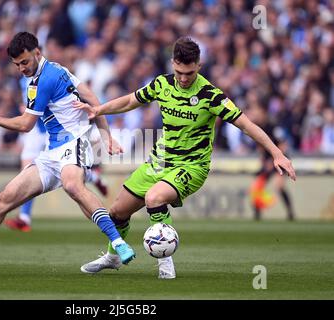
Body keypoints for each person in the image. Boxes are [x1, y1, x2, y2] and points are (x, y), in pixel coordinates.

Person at [74, 37, 297, 279]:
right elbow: (130, 100)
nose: (183, 78)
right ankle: (113, 257)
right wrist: (99, 109)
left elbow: (246, 125)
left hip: (192, 167)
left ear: (199, 66)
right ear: (173, 63)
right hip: (158, 162)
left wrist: (277, 153)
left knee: (155, 197)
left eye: (189, 73)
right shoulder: (161, 84)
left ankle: (165, 261)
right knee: (117, 213)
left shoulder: (211, 95)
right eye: (179, 71)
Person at [0, 32, 135, 275]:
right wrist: (106, 137)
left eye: (25, 62)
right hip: (51, 152)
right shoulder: (57, 69)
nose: (21, 68)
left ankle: (118, 244)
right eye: (17, 64)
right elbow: (92, 99)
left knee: (73, 186)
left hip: (74, 142)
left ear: (37, 53)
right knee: (2, 200)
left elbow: (26, 125)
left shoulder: (45, 79)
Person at [4, 77, 109, 232]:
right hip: (34, 128)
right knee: (27, 170)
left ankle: (92, 176)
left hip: (53, 127)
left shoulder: (49, 76)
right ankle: (24, 217)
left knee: (67, 176)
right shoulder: (22, 81)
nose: (21, 66)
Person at [248, 106, 295, 221]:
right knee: (257, 186)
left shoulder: (273, 126)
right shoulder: (258, 127)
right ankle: (257, 214)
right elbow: (260, 147)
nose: (255, 115)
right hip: (268, 161)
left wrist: (274, 159)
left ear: (263, 112)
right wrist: (264, 161)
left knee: (279, 186)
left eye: (256, 111)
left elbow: (283, 145)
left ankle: (290, 213)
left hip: (279, 160)